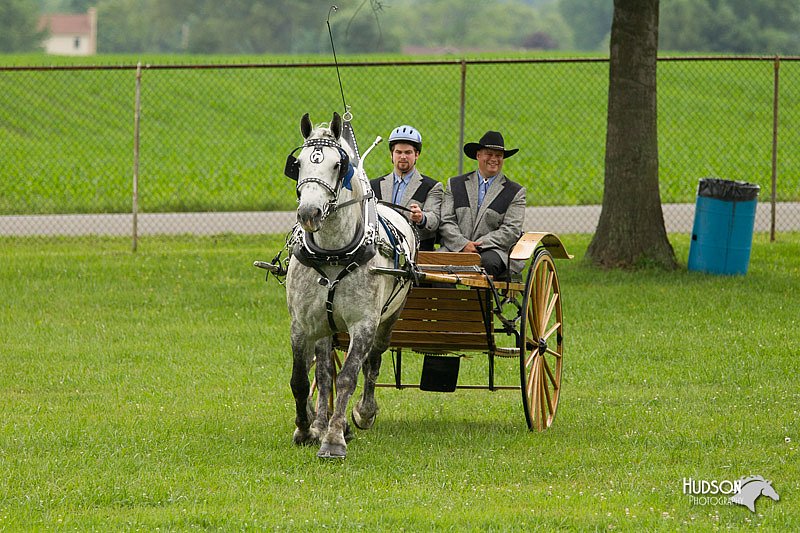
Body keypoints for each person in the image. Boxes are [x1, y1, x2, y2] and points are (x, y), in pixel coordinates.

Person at [438, 130, 526, 278]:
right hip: (455, 248)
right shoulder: (454, 184)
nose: (494, 159)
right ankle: (449, 301)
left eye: (498, 155)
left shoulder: (515, 192)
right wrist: (463, 244)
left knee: (487, 263)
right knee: (432, 263)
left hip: (493, 250)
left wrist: (479, 245)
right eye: (489, 154)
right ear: (478, 155)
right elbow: (446, 221)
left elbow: (511, 230)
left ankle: (480, 302)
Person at [370, 125, 443, 251]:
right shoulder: (374, 186)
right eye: (398, 152)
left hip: (416, 251)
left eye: (408, 152)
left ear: (417, 155)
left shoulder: (431, 187)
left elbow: (435, 220)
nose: (403, 156)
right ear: (391, 155)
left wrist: (421, 218)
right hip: (380, 251)